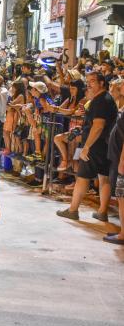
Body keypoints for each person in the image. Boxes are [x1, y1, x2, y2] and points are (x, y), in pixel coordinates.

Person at [57, 71, 118, 222]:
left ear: (102, 83)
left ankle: (73, 210)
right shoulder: (105, 99)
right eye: (88, 81)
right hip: (105, 146)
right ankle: (102, 212)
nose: (88, 84)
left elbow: (98, 126)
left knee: (82, 177)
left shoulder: (101, 100)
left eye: (92, 81)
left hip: (95, 147)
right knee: (104, 178)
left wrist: (86, 147)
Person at [104, 79, 124, 244]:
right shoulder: (119, 106)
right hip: (116, 155)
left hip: (121, 158)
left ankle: (123, 233)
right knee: (119, 195)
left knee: (122, 195)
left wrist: (122, 161)